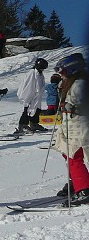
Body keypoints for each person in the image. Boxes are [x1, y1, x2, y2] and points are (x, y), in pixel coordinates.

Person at [53, 53, 89, 206]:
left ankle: (84, 190)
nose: (60, 75)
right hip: (71, 126)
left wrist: (71, 107)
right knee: (67, 154)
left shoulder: (80, 84)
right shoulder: (71, 83)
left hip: (80, 127)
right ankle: (76, 182)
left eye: (62, 71)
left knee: (74, 157)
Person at [15, 57, 48, 133]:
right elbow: (27, 86)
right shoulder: (32, 73)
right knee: (27, 110)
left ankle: (34, 123)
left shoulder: (40, 74)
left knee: (37, 109)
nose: (43, 70)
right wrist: (27, 97)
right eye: (42, 68)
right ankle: (22, 125)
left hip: (37, 96)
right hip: (30, 95)